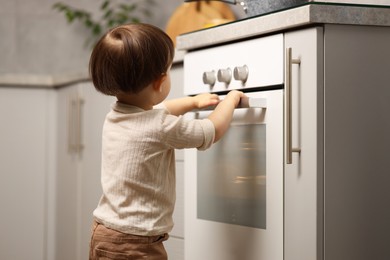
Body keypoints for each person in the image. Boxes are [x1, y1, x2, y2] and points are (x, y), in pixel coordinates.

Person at [88, 22, 245, 260]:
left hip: (105, 232)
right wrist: (230, 102)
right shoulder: (159, 127)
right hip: (136, 244)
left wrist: (192, 102)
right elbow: (211, 130)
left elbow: (159, 110)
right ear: (160, 82)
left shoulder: (116, 114)